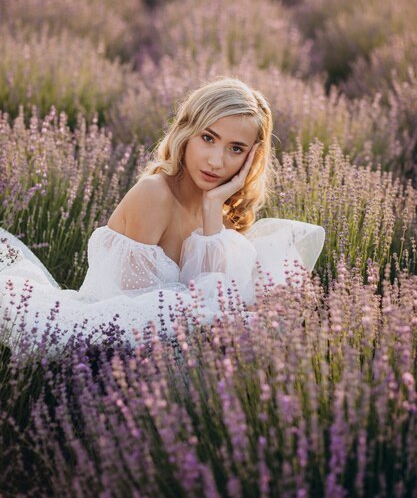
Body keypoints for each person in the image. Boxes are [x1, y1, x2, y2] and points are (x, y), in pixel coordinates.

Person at [0, 77, 325, 355]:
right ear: (186, 132)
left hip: (168, 347)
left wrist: (213, 211)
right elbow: (132, 314)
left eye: (236, 149)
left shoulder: (221, 209)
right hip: (102, 339)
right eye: (208, 138)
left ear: (252, 157)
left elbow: (219, 303)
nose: (216, 161)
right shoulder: (154, 195)